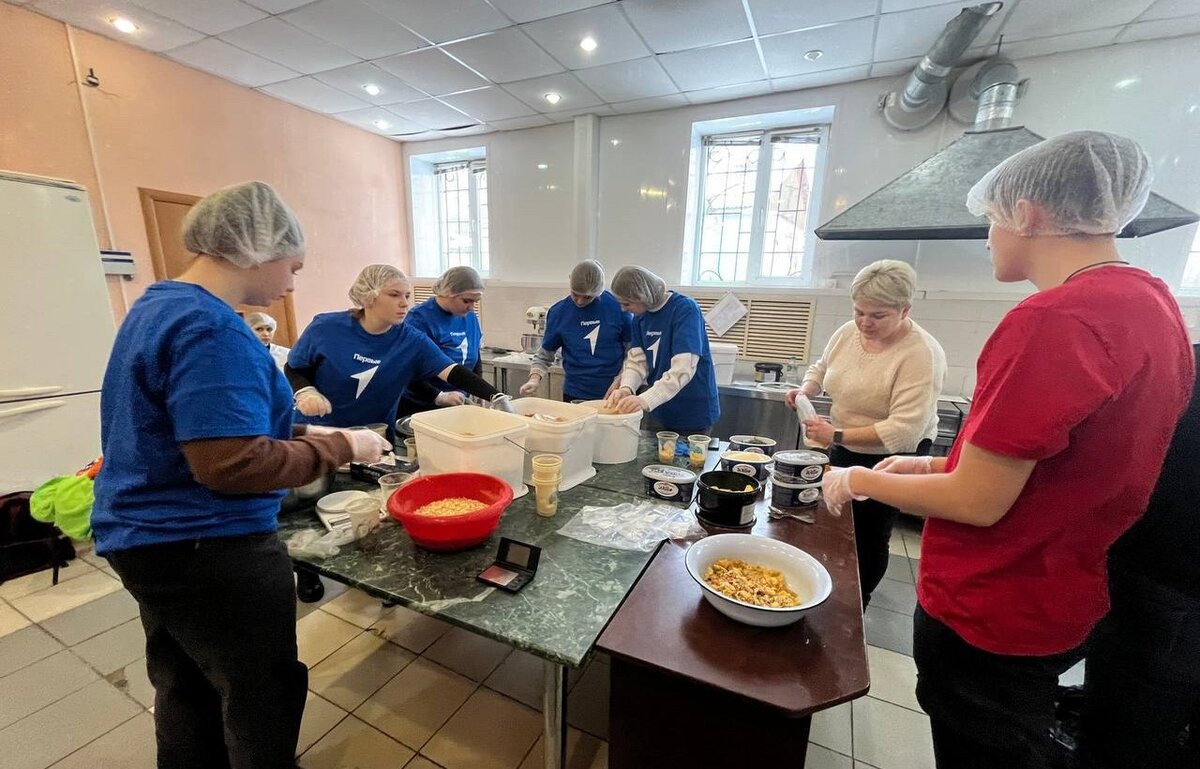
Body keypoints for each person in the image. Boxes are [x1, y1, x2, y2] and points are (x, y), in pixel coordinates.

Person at [821, 131, 1195, 769]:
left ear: (1027, 213)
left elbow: (978, 501)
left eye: (991, 220)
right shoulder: (1153, 304)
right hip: (1062, 588)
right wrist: (933, 464)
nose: (988, 237)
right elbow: (1065, 471)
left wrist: (861, 483)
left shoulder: (1054, 319)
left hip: (995, 601)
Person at [91, 181, 392, 768]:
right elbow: (230, 464)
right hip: (205, 544)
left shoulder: (159, 305)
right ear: (256, 246)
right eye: (292, 266)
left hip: (146, 538)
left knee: (188, 682)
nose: (291, 283)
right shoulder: (213, 329)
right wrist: (338, 449)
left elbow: (211, 424)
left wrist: (313, 435)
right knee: (261, 689)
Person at [783, 260, 946, 608]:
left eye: (877, 315)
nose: (864, 323)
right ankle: (831, 584)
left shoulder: (920, 354)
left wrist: (837, 435)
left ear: (905, 310)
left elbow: (904, 431)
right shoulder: (847, 333)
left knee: (871, 533)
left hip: (893, 458)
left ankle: (858, 603)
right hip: (843, 440)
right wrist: (806, 390)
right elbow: (822, 366)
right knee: (838, 521)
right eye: (859, 312)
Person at [1079, 339, 1200, 769]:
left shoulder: (1181, 363)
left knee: (1122, 738)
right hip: (1161, 584)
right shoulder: (1183, 361)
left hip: (1163, 590)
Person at [286, 264, 510, 433]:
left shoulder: (410, 340)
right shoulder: (326, 328)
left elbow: (452, 371)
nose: (404, 303)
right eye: (394, 295)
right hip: (320, 433)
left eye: (407, 296)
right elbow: (294, 367)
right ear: (368, 297)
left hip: (376, 435)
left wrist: (496, 396)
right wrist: (305, 391)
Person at [605, 266, 720, 435]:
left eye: (626, 303)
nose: (623, 309)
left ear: (641, 296)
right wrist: (627, 388)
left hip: (692, 411)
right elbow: (637, 362)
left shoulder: (685, 309)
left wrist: (644, 399)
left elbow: (683, 369)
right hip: (659, 410)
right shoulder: (639, 318)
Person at [519, 260, 634, 402]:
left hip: (614, 393)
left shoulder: (618, 309)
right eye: (575, 294)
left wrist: (623, 381)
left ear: (599, 292)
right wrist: (534, 379)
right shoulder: (559, 312)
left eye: (587, 297)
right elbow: (545, 355)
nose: (579, 301)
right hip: (574, 392)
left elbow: (633, 352)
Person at [398, 265, 485, 416]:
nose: (471, 307)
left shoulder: (470, 317)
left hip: (458, 401)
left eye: (475, 301)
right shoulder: (419, 319)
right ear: (448, 293)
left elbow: (474, 354)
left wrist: (478, 389)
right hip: (422, 404)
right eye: (466, 301)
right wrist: (438, 396)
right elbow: (406, 369)